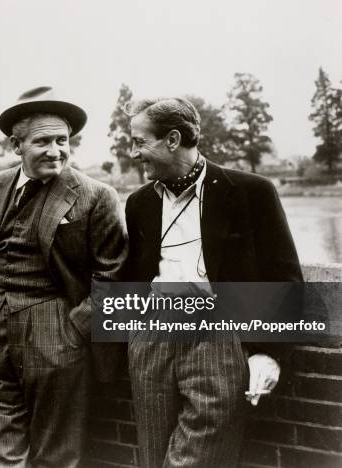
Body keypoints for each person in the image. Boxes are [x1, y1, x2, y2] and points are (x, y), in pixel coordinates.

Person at [123, 97, 303, 467]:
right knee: (153, 457)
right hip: (152, 340)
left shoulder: (251, 192)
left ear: (173, 139)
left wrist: (268, 351)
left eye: (140, 142)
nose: (134, 153)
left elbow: (285, 278)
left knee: (197, 460)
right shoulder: (139, 203)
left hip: (217, 339)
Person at [0, 86, 127, 467]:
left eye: (62, 140)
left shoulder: (96, 196)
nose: (55, 150)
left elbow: (113, 276)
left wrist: (73, 330)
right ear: (15, 145)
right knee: (2, 445)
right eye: (42, 141)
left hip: (56, 333)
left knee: (56, 454)